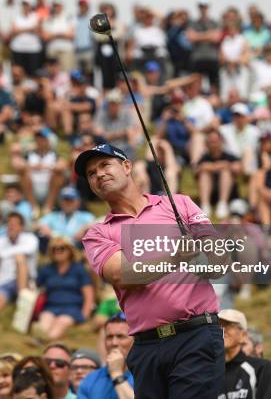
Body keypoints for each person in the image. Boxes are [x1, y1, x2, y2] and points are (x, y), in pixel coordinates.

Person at [75, 142, 225, 397]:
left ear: (126, 166)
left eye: (104, 165)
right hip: (145, 346)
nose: (98, 174)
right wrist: (175, 257)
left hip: (195, 335)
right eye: (91, 173)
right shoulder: (97, 234)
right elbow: (124, 275)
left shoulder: (180, 204)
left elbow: (220, 262)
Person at [217, 309, 271, 399]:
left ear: (243, 335)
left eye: (228, 325)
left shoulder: (262, 368)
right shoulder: (210, 374)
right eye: (218, 326)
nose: (223, 330)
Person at [77, 314, 134, 399]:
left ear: (134, 340)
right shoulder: (91, 380)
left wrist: (116, 374)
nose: (114, 343)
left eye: (121, 336)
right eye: (109, 337)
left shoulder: (147, 375)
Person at [196, 129, 242, 219]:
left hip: (229, 195)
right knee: (204, 173)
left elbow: (238, 168)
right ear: (207, 143)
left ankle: (223, 204)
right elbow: (196, 172)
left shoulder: (230, 156)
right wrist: (220, 165)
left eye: (215, 141)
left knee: (226, 172)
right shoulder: (204, 158)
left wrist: (214, 166)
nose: (213, 144)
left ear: (221, 141)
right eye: (211, 141)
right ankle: (205, 206)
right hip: (210, 193)